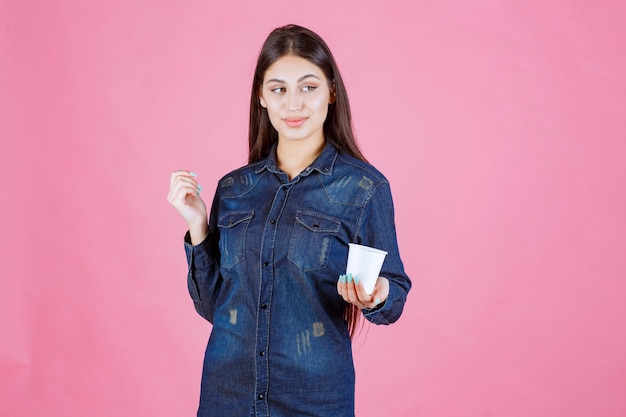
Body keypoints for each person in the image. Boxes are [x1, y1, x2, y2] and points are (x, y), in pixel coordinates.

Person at [168, 24, 411, 417]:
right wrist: (198, 226)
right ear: (261, 97)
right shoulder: (234, 188)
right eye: (279, 89)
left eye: (308, 86)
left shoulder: (363, 188)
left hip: (313, 398)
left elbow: (394, 293)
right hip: (227, 395)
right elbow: (213, 304)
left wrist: (378, 292)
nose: (293, 103)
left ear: (331, 91)